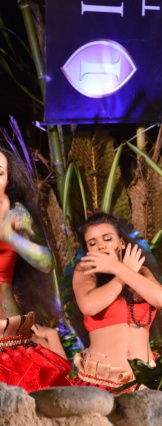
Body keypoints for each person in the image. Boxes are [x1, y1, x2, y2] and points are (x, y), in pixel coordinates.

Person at [70, 212, 162, 392]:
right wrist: (120, 273)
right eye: (92, 243)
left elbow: (161, 300)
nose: (101, 245)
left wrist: (119, 268)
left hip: (145, 381)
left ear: (121, 242)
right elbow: (89, 306)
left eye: (107, 239)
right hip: (102, 381)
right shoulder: (85, 271)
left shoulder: (141, 272)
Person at [0, 146, 71, 392]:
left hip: (6, 325)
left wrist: (10, 237)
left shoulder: (17, 213)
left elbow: (46, 262)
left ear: (7, 180)